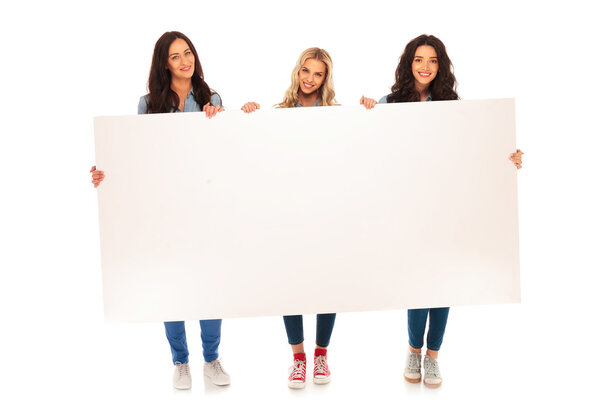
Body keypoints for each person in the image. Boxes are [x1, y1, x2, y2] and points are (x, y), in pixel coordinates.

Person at [360, 34, 523, 388]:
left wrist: (506, 157)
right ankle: (413, 351)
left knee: (443, 282)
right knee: (418, 281)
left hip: (446, 206)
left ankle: (432, 357)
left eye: (433, 60)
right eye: (419, 59)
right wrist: (367, 117)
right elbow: (371, 150)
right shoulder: (390, 103)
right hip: (408, 208)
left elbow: (475, 151)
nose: (425, 67)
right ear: (408, 63)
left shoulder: (452, 105)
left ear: (441, 66)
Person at [90, 31, 230, 390]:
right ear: (163, 64)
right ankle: (181, 361)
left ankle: (211, 358)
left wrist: (222, 120)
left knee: (208, 284)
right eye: (175, 57)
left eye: (188, 53)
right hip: (165, 208)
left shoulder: (210, 98)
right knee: (172, 284)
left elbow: (225, 153)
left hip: (203, 206)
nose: (185, 61)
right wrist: (107, 172)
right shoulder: (148, 103)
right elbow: (136, 155)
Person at [241, 47, 337, 389]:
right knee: (290, 283)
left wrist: (369, 110)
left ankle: (321, 354)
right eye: (305, 71)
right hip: (287, 212)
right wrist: (249, 115)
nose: (310, 79)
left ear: (326, 79)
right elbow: (257, 154)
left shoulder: (336, 115)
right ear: (297, 72)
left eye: (318, 74)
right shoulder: (278, 113)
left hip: (326, 211)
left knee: (328, 284)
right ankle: (298, 357)